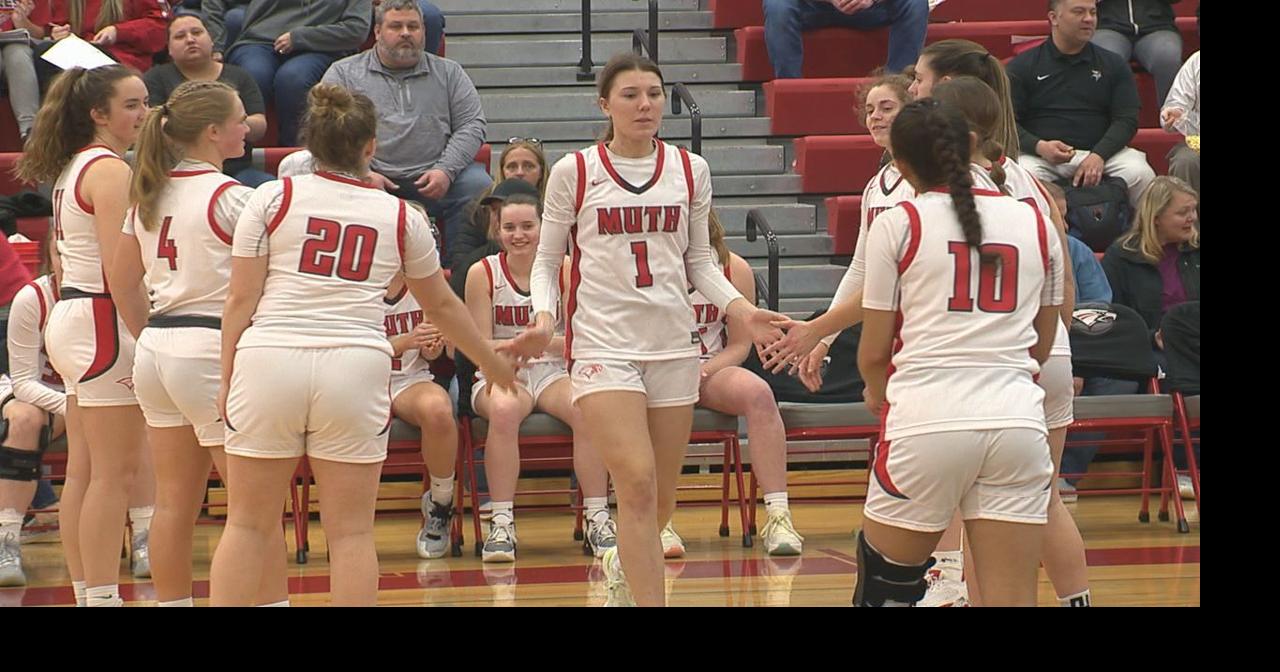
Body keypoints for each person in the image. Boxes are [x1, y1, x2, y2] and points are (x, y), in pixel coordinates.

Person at [209, 84, 516, 606]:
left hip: (270, 361)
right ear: (371, 146)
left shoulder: (269, 197)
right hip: (354, 366)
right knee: (350, 534)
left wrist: (225, 377)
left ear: (308, 145)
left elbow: (240, 300)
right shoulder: (401, 216)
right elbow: (442, 306)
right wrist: (491, 361)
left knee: (247, 525)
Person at [504, 53, 780, 607]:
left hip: (673, 345)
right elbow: (545, 259)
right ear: (604, 104)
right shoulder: (574, 171)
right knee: (634, 480)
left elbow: (700, 261)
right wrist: (543, 316)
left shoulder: (689, 169)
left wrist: (741, 310)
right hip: (604, 344)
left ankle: (625, 567)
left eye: (653, 93)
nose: (645, 104)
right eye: (630, 94)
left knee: (659, 501)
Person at [852, 98, 1064, 607]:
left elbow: (874, 351)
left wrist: (878, 394)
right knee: (1012, 596)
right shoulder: (1035, 220)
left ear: (900, 167)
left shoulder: (898, 222)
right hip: (1016, 422)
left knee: (884, 587)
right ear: (972, 145)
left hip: (927, 418)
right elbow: (1045, 338)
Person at [110, 80, 289, 607]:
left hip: (158, 348)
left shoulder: (148, 192)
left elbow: (121, 282)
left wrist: (155, 340)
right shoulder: (237, 199)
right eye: (239, 118)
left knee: (172, 505)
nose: (247, 126)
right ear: (214, 132)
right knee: (255, 511)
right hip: (211, 347)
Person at [14, 65, 153, 607]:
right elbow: (122, 272)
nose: (143, 115)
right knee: (112, 477)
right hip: (102, 320)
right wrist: (150, 336)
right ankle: (100, 596)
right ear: (98, 114)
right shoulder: (110, 171)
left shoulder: (76, 166)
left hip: (77, 319)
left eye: (145, 103)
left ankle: (87, 592)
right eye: (132, 106)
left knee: (88, 473)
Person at [464, 193, 616, 562]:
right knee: (502, 410)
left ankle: (598, 516)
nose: (519, 234)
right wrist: (524, 348)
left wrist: (531, 345)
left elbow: (582, 337)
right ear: (497, 231)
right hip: (500, 372)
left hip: (553, 371)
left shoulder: (564, 269)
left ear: (543, 228)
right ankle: (500, 522)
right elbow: (479, 345)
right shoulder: (481, 273)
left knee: (588, 408)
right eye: (510, 227)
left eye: (528, 226)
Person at [661, 209, 802, 558]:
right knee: (648, 404)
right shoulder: (651, 267)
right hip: (660, 368)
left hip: (710, 368)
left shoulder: (732, 268)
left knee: (759, 393)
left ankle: (779, 515)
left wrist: (704, 371)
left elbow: (740, 345)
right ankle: (658, 521)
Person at [320, 0, 488, 265]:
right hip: (371, 178)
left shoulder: (449, 72)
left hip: (438, 178)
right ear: (377, 32)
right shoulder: (344, 73)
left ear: (424, 30)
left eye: (414, 26)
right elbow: (326, 131)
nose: (406, 33)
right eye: (396, 26)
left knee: (477, 184)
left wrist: (446, 170)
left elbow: (472, 124)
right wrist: (360, 172)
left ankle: (460, 273)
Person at [1008, 0, 1155, 209]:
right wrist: (1039, 146)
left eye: (1093, 12)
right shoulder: (1022, 66)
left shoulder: (1113, 64)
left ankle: (1139, 240)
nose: (1088, 19)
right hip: (1042, 157)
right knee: (1021, 175)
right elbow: (1007, 122)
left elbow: (1127, 119)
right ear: (1053, 18)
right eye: (1079, 12)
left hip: (1103, 153)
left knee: (1140, 173)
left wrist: (1099, 155)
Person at [0, 232, 72, 587]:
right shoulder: (35, 298)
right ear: (50, 257)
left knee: (139, 420)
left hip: (94, 397)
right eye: (63, 253)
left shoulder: (116, 292)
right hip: (34, 391)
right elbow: (23, 381)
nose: (72, 262)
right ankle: (7, 540)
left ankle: (144, 533)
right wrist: (75, 408)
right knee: (24, 419)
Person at [204, 0, 372, 147]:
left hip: (321, 47)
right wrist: (216, 43)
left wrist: (300, 37)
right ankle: (235, 152)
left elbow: (356, 29)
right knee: (254, 73)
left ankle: (295, 151)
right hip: (258, 40)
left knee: (293, 78)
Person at [142, 13, 273, 186]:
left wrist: (222, 121)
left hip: (238, 171)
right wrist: (217, 121)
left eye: (196, 32)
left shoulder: (239, 75)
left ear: (212, 40)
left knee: (270, 188)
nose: (190, 40)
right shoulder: (156, 77)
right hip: (177, 170)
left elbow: (259, 125)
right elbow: (154, 121)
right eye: (180, 36)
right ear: (169, 49)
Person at [761, 0, 929, 77]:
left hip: (871, 9)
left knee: (916, 2)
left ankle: (897, 84)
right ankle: (789, 86)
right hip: (812, 9)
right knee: (776, 4)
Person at [1092, 0, 1183, 106]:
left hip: (1158, 27)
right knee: (1106, 58)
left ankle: (1173, 117)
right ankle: (1106, 120)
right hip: (1107, 27)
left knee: (1168, 57)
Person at [1160, 50, 1199, 195]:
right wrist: (1177, 115)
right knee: (1185, 161)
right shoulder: (1197, 61)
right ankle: (1189, 217)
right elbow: (1176, 106)